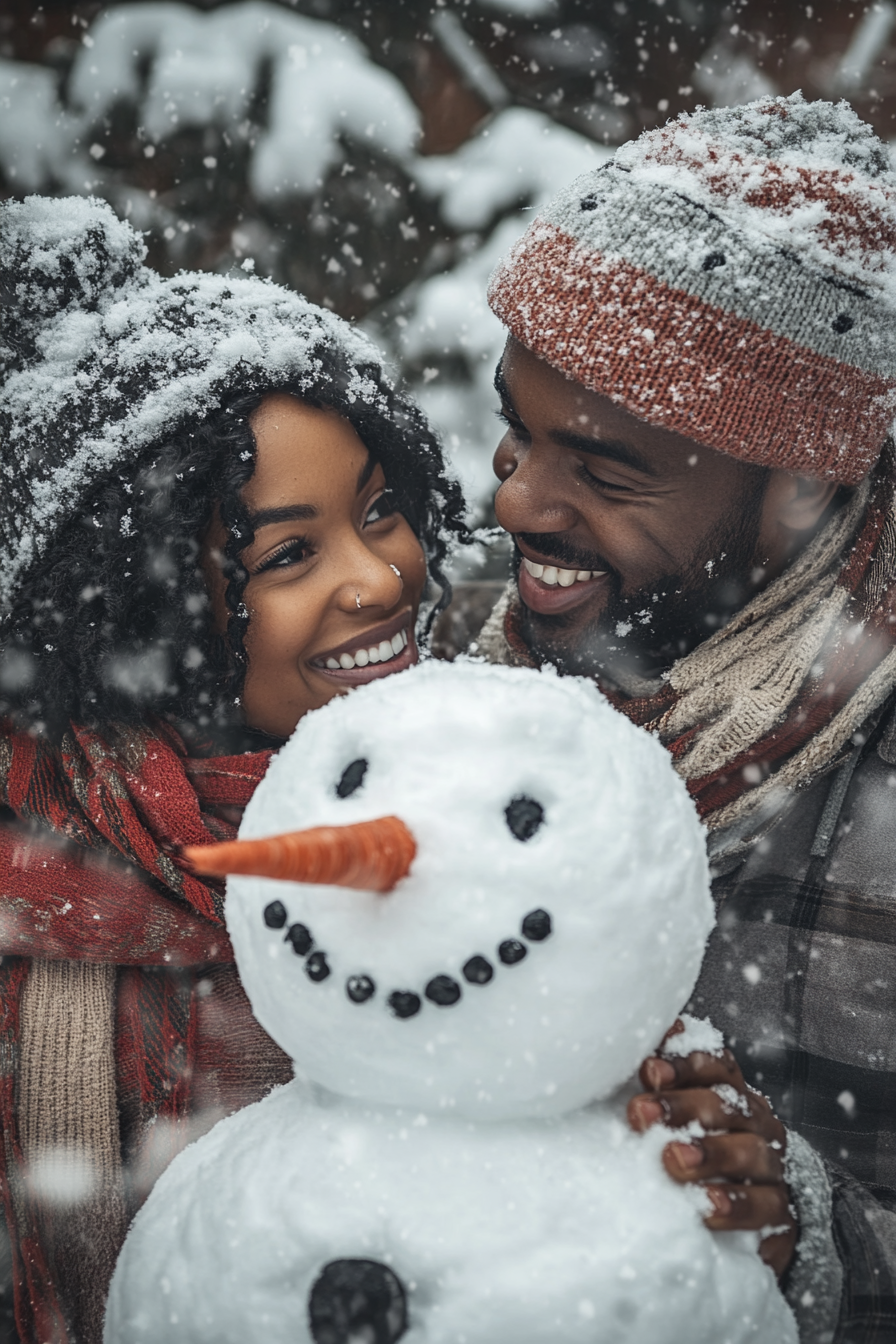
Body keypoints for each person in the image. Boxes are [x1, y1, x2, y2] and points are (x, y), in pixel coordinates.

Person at [463, 93, 896, 1342]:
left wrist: (814, 1241)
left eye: (603, 469)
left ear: (805, 490)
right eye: (514, 429)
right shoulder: (450, 672)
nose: (518, 504)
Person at [0, 194, 467, 1344]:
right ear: (143, 605)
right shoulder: (41, 885)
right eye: (291, 553)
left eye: (383, 511)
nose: (376, 581)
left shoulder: (492, 799)